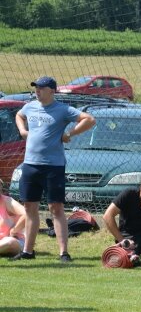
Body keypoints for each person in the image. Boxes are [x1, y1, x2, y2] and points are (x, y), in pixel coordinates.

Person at [12, 76, 95, 262]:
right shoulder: (30, 106)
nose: (37, 91)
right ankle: (28, 251)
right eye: (36, 88)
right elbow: (19, 115)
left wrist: (69, 134)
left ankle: (63, 252)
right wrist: (22, 131)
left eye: (41, 88)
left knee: (56, 208)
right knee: (29, 207)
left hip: (53, 166)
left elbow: (89, 119)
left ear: (52, 91)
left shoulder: (63, 109)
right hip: (30, 164)